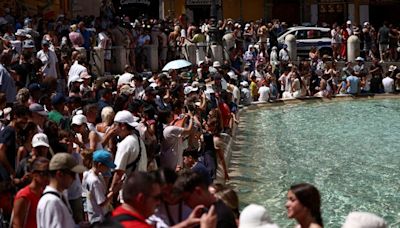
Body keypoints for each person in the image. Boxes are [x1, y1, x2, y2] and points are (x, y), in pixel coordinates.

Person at [36, 153, 87, 228]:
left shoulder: (60, 196)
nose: (75, 179)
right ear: (60, 174)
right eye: (72, 174)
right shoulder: (51, 202)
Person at [82, 149, 119, 225]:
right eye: (107, 166)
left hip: (93, 215)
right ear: (99, 165)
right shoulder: (95, 181)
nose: (108, 169)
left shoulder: (87, 174)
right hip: (98, 219)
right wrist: (114, 191)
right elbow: (102, 203)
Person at [12, 157, 49, 228]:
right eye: (44, 173)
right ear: (34, 174)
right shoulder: (24, 196)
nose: (47, 177)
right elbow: (17, 224)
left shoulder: (44, 194)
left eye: (50, 173)